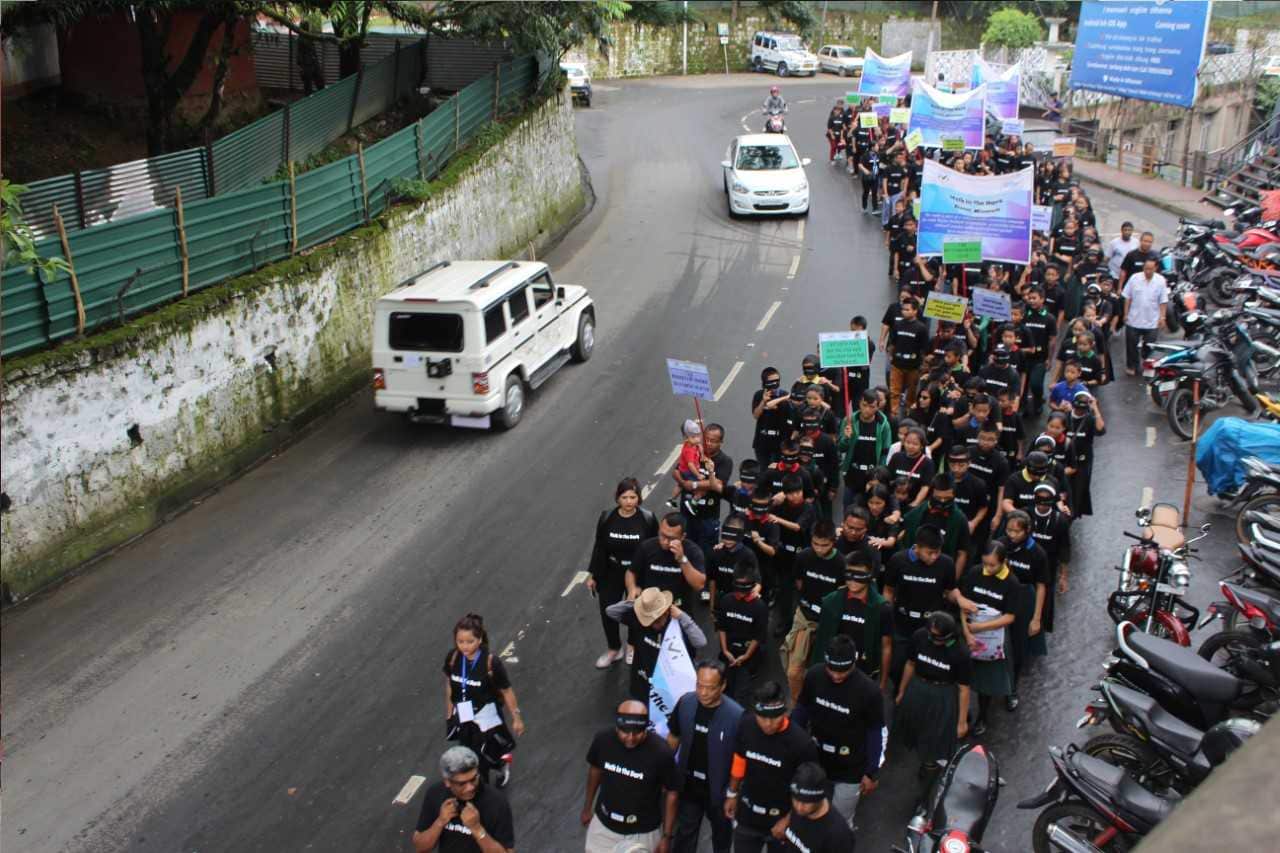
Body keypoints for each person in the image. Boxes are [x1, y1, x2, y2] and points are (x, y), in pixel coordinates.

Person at [792, 636, 886, 827]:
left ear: (854, 662)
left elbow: (875, 732)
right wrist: (790, 742)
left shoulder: (869, 691)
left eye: (843, 670)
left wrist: (871, 772)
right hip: (816, 759)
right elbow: (801, 711)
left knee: (840, 821)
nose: (836, 676)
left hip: (850, 768)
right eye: (831, 669)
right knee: (807, 814)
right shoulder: (814, 675)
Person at [724, 682, 820, 853]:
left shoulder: (801, 744)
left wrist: (789, 820)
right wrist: (732, 793)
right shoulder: (746, 725)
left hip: (781, 820)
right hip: (747, 816)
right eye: (762, 717)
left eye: (775, 717)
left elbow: (809, 788)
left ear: (785, 712)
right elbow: (739, 759)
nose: (768, 724)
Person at [582, 700, 681, 853]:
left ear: (646, 728)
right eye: (625, 732)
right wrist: (587, 807)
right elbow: (595, 770)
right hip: (604, 828)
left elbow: (672, 792)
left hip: (643, 832)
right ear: (617, 726)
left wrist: (667, 836)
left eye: (638, 732)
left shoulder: (661, 752)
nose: (631, 738)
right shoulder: (603, 740)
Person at [882, 526, 977, 681]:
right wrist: (886, 615)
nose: (934, 557)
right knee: (897, 668)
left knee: (926, 671)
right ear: (917, 547)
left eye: (937, 552)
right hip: (902, 625)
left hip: (931, 628)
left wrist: (960, 599)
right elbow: (888, 590)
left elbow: (950, 591)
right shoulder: (898, 560)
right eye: (930, 552)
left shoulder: (946, 563)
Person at [893, 611, 972, 794]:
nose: (934, 640)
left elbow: (964, 688)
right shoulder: (919, 636)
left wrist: (961, 722)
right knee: (914, 728)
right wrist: (902, 691)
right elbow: (910, 664)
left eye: (938, 637)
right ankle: (923, 757)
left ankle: (929, 771)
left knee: (936, 736)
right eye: (931, 635)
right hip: (918, 687)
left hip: (943, 695)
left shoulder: (960, 653)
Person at [669, 661, 744, 853]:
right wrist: (665, 772)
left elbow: (741, 758)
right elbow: (674, 737)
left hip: (719, 792)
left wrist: (733, 793)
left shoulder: (737, 716)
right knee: (685, 834)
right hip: (689, 786)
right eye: (699, 685)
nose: (703, 693)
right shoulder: (685, 703)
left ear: (723, 686)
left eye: (710, 688)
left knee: (722, 838)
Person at [443, 614, 524, 788]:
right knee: (471, 755)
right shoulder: (453, 658)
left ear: (480, 639)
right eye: (460, 641)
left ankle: (500, 765)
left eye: (470, 641)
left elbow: (506, 690)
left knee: (488, 752)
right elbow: (449, 683)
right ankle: (481, 785)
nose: (464, 646)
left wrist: (516, 718)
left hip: (486, 716)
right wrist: (450, 712)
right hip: (464, 714)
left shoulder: (491, 662)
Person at [589, 479, 659, 669]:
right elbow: (599, 547)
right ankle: (614, 649)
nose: (629, 501)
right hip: (611, 572)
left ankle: (632, 646)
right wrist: (593, 575)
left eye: (633, 497)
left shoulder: (648, 519)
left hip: (637, 574)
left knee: (635, 611)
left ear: (639, 498)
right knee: (608, 611)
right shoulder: (607, 517)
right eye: (624, 497)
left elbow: (654, 548)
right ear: (617, 498)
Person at [958, 541, 1019, 737]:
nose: (988, 568)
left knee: (988, 678)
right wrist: (967, 632)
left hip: (994, 637)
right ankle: (963, 713)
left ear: (1003, 562)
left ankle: (983, 716)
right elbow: (963, 604)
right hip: (970, 631)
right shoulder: (975, 573)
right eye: (985, 563)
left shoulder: (1011, 582)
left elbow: (1009, 617)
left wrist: (980, 628)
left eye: (993, 565)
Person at [607, 588, 708, 700]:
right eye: (648, 620)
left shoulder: (679, 623)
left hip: (673, 689)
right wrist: (638, 605)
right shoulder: (638, 618)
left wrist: (682, 616)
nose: (653, 624)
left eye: (657, 620)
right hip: (643, 685)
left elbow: (701, 642)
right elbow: (611, 611)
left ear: (666, 612)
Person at [811, 552, 894, 688]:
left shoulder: (882, 608)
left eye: (859, 576)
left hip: (864, 673)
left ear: (870, 576)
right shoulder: (830, 602)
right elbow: (822, 640)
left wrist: (883, 683)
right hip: (833, 671)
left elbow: (886, 646)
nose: (853, 581)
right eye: (849, 575)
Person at [413, 745, 515, 853]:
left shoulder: (497, 802)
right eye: (462, 784)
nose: (470, 787)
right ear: (447, 782)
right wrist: (440, 821)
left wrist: (477, 829)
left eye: (473, 779)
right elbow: (420, 847)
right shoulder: (435, 794)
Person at [783, 520, 843, 698]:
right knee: (793, 672)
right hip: (805, 617)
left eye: (824, 545)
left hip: (829, 623)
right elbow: (799, 583)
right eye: (815, 544)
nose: (819, 549)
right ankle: (796, 704)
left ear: (833, 542)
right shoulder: (803, 557)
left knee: (825, 673)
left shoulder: (841, 563)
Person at [1000, 510, 1049, 711]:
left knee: (1018, 649)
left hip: (1024, 599)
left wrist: (1036, 618)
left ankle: (1012, 689)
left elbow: (1041, 586)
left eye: (1016, 531)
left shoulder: (1037, 553)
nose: (1011, 535)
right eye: (1008, 530)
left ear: (1027, 530)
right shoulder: (1001, 545)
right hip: (1002, 596)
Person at [716, 558, 769, 704]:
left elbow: (758, 636)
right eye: (738, 590)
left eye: (744, 591)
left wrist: (746, 656)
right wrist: (725, 650)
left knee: (741, 695)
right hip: (728, 653)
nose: (740, 594)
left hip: (748, 656)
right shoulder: (726, 600)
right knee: (723, 688)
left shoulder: (760, 607)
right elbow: (721, 627)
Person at [627, 513, 707, 608]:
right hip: (649, 606)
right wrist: (632, 589)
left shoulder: (693, 551)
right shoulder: (647, 547)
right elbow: (631, 572)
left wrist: (682, 559)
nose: (665, 541)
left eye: (671, 538)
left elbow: (699, 585)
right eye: (662, 535)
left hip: (678, 607)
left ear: (682, 536)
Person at [898, 473, 972, 575]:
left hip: (941, 572)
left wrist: (952, 580)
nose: (942, 501)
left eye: (947, 498)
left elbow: (962, 553)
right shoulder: (914, 515)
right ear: (931, 493)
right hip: (913, 569)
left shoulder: (959, 519)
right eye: (938, 497)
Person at [777, 763, 858, 851]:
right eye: (796, 799)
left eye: (806, 802)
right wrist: (786, 819)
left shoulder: (838, 835)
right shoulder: (799, 808)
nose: (799, 807)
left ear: (820, 798)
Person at [1121, 256, 1169, 375]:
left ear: (1155, 268)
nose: (1147, 271)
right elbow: (1127, 297)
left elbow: (1163, 301)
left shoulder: (1160, 281)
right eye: (1146, 268)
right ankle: (1132, 366)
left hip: (1151, 321)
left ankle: (1147, 364)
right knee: (1131, 345)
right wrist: (1125, 314)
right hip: (1134, 319)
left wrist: (1162, 317)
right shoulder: (1134, 278)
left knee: (1149, 347)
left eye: (1150, 269)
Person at [887, 296, 928, 417]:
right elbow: (892, 343)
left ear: (915, 311)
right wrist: (890, 356)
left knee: (911, 393)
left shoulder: (921, 328)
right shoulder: (897, 324)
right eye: (903, 309)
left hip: (913, 367)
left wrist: (923, 365)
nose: (904, 312)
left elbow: (924, 349)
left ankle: (909, 415)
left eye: (907, 309)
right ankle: (893, 415)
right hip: (897, 365)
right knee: (894, 392)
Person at [296, 15, 326, 95]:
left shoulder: (309, 37)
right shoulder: (301, 39)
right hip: (307, 65)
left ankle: (322, 96)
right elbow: (299, 54)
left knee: (319, 82)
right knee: (308, 86)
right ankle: (310, 98)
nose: (307, 27)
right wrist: (301, 67)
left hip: (313, 63)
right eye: (306, 26)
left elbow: (313, 51)